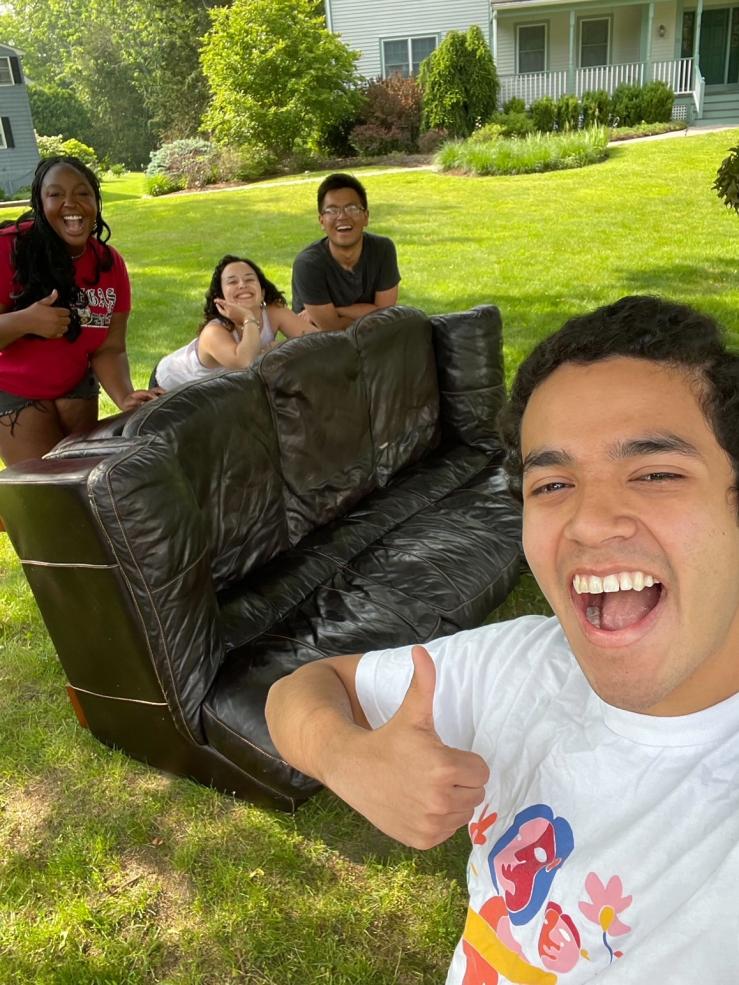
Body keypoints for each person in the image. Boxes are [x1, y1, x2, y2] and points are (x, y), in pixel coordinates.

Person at [266, 295, 739, 983]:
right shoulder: (520, 660)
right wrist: (345, 754)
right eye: (551, 483)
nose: (587, 521)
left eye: (655, 472)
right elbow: (302, 687)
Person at [0, 155, 159, 466]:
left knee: (85, 484)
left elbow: (110, 349)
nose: (71, 203)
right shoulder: (9, 249)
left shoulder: (109, 263)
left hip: (75, 388)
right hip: (14, 392)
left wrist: (124, 396)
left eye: (82, 193)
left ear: (96, 202)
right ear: (39, 202)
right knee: (47, 497)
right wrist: (26, 320)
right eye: (56, 194)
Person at [151, 254, 318, 390]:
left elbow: (319, 341)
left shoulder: (274, 313)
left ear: (262, 291)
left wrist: (282, 349)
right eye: (232, 281)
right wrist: (248, 318)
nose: (242, 285)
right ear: (221, 297)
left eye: (250, 279)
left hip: (221, 389)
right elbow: (245, 363)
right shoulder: (214, 332)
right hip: (169, 387)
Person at [291, 173, 400, 332]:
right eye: (332, 210)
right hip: (318, 348)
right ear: (322, 221)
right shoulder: (308, 264)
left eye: (352, 208)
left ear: (366, 217)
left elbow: (385, 317)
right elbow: (331, 330)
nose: (342, 216)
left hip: (373, 343)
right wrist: (368, 312)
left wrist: (336, 310)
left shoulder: (383, 250)